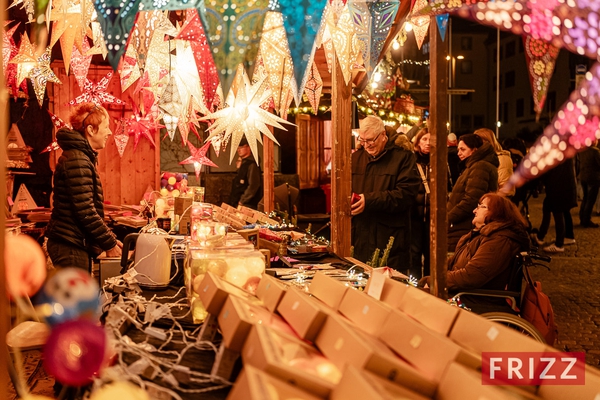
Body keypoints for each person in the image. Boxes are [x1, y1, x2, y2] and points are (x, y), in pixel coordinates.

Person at [419, 193, 531, 314]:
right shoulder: (479, 236)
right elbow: (451, 265)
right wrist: (432, 280)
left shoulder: (499, 240)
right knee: (413, 293)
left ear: (495, 212)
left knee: (416, 299)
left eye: (481, 206)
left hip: (475, 299)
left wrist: (435, 282)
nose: (474, 211)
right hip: (464, 293)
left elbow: (472, 275)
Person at [45, 103, 122, 270]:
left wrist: (111, 238)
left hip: (74, 244)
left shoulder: (81, 157)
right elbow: (85, 210)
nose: (109, 132)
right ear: (90, 130)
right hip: (69, 246)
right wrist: (108, 243)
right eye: (106, 127)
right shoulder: (78, 160)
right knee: (77, 297)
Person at [351, 115, 420, 271]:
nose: (366, 145)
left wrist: (369, 201)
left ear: (383, 135)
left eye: (370, 140)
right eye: (362, 140)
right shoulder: (355, 158)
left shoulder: (403, 158)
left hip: (391, 240)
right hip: (359, 236)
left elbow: (406, 194)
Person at [448, 134, 499, 252]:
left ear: (474, 150)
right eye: (458, 149)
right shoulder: (473, 166)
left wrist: (449, 217)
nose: (458, 153)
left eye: (463, 149)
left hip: (465, 224)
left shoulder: (479, 166)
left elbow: (471, 199)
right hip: (463, 224)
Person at [531, 158, 577, 252]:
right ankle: (567, 236)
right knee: (555, 208)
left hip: (557, 186)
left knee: (558, 212)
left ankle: (559, 244)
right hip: (567, 185)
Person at [410, 128, 431, 278]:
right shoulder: (411, 162)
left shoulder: (441, 162)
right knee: (414, 254)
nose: (428, 143)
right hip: (414, 216)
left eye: (431, 140)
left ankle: (431, 286)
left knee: (431, 255)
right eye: (424, 139)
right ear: (417, 142)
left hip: (432, 218)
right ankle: (415, 285)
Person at [474, 128, 515, 197]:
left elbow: (506, 187)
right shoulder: (482, 157)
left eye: (478, 142)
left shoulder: (502, 158)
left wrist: (490, 201)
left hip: (494, 202)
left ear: (487, 142)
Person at [229, 137, 262, 209]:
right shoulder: (243, 163)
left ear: (249, 147)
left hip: (247, 205)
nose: (238, 149)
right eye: (237, 147)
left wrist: (242, 200)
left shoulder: (252, 164)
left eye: (241, 147)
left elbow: (253, 185)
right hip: (238, 203)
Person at [578, 141, 600, 228]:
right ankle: (586, 219)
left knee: (585, 198)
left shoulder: (583, 150)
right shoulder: (595, 151)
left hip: (583, 176)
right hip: (593, 178)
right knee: (591, 200)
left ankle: (582, 217)